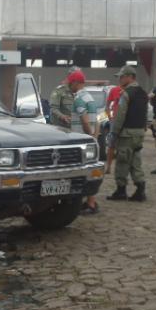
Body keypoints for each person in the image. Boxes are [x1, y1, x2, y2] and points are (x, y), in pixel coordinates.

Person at [50, 69, 100, 214]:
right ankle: (83, 200)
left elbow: (86, 120)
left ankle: (79, 199)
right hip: (63, 131)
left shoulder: (79, 97)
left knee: (74, 167)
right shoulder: (85, 96)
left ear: (76, 82)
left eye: (72, 82)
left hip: (78, 136)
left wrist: (89, 135)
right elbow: (53, 109)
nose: (70, 84)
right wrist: (94, 137)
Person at [106, 65, 148, 202]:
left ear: (130, 77)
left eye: (122, 77)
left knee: (122, 162)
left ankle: (121, 190)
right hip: (139, 132)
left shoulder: (126, 93)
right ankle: (140, 189)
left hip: (127, 133)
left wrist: (114, 132)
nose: (120, 79)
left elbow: (120, 115)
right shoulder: (142, 92)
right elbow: (145, 113)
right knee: (135, 161)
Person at [105, 79, 123, 174]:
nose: (120, 80)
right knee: (111, 145)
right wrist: (110, 117)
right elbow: (107, 106)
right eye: (119, 78)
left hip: (126, 122)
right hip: (115, 121)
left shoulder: (131, 91)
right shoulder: (114, 90)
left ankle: (122, 168)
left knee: (124, 146)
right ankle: (108, 166)